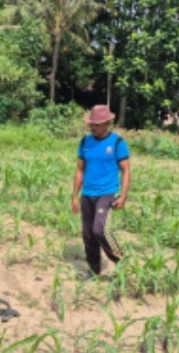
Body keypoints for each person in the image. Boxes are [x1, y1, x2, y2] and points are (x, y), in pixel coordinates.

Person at [71, 105, 131, 279]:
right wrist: (74, 196)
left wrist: (123, 195)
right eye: (91, 124)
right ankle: (94, 270)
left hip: (107, 192)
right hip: (87, 193)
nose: (92, 127)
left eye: (96, 124)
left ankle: (120, 261)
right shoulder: (85, 142)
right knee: (88, 235)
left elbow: (126, 170)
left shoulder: (118, 143)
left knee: (99, 230)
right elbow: (80, 170)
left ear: (107, 123)